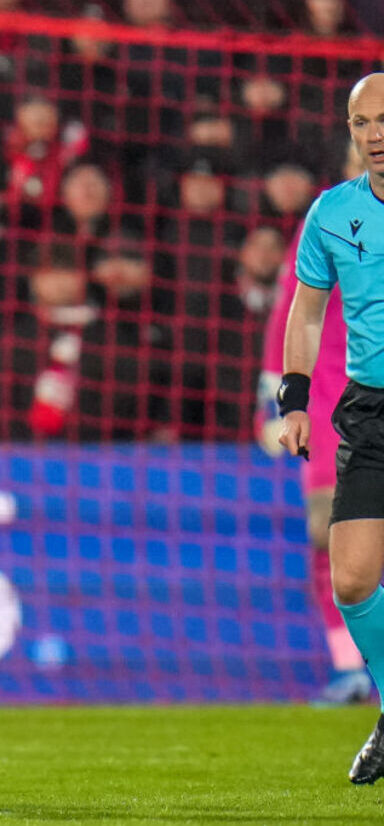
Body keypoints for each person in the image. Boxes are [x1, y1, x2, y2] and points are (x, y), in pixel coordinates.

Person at [278, 72, 384, 785]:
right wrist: (292, 399)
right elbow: (307, 311)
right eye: (362, 123)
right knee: (351, 580)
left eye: (383, 120)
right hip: (370, 411)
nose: (375, 134)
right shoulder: (331, 213)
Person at [260, 140, 372, 707]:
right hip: (333, 410)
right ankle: (351, 667)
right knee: (329, 539)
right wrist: (275, 401)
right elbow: (290, 316)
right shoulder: (326, 227)